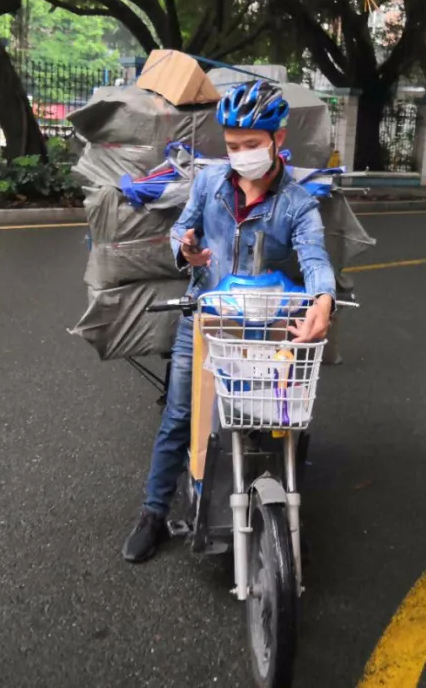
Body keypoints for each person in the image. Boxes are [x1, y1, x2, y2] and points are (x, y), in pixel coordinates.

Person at [122, 80, 337, 563]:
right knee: (180, 415)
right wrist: (186, 249)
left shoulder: (297, 203)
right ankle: (153, 512)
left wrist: (323, 301)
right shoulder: (209, 182)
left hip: (266, 327)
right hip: (206, 318)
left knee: (279, 418)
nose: (240, 155)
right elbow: (183, 227)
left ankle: (281, 505)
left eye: (251, 144)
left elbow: (315, 256)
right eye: (233, 145)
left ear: (278, 138)